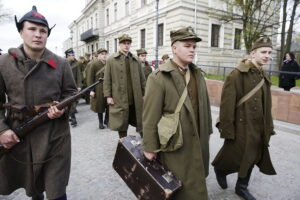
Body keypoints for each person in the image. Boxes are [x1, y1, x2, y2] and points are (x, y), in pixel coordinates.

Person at [0, 6, 77, 200]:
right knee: (33, 188)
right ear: (20, 31)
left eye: (43, 31)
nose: (38, 35)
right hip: (20, 133)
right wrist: (2, 130)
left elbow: (70, 94)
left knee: (56, 191)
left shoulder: (61, 63)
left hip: (55, 135)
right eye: (32, 29)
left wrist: (62, 108)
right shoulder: (3, 63)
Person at [143, 27, 212, 199]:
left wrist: (207, 132)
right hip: (176, 143)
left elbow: (205, 107)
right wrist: (150, 147)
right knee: (179, 185)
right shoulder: (159, 77)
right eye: (188, 46)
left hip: (198, 138)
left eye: (194, 47)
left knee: (197, 178)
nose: (192, 50)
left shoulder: (197, 74)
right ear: (174, 48)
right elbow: (150, 115)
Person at [212, 36, 277, 200]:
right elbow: (226, 105)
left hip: (258, 127)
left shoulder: (264, 75)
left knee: (254, 155)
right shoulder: (236, 75)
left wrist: (269, 127)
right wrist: (227, 129)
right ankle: (221, 169)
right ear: (253, 53)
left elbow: (266, 105)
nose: (267, 55)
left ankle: (241, 187)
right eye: (263, 52)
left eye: (269, 52)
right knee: (234, 154)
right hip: (241, 126)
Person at [103, 34, 146, 138]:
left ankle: (144, 140)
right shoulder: (111, 60)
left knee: (139, 118)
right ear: (120, 45)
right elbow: (107, 79)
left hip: (135, 97)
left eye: (128, 43)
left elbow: (142, 79)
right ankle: (123, 142)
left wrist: (145, 94)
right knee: (121, 122)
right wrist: (108, 96)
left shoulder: (135, 59)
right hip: (119, 97)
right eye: (124, 43)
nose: (126, 46)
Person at [86, 48, 108, 129]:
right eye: (102, 54)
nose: (104, 55)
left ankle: (107, 120)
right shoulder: (94, 64)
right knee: (100, 106)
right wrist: (91, 90)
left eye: (105, 54)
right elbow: (90, 78)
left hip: (107, 87)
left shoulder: (108, 63)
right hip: (98, 87)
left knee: (109, 104)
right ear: (98, 55)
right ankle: (101, 122)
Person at [65, 49, 82, 127]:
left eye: (73, 55)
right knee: (68, 102)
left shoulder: (77, 63)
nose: (73, 56)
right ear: (67, 56)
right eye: (71, 55)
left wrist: (79, 85)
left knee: (74, 102)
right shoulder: (63, 63)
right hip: (65, 86)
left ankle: (73, 117)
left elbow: (79, 75)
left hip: (74, 86)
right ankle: (72, 117)